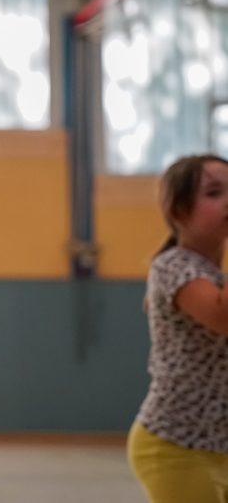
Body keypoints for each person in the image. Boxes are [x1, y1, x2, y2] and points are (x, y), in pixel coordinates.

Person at [127, 154, 228, 503]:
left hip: (219, 445)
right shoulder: (172, 267)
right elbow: (223, 318)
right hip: (175, 446)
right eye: (215, 192)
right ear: (179, 211)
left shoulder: (219, 277)